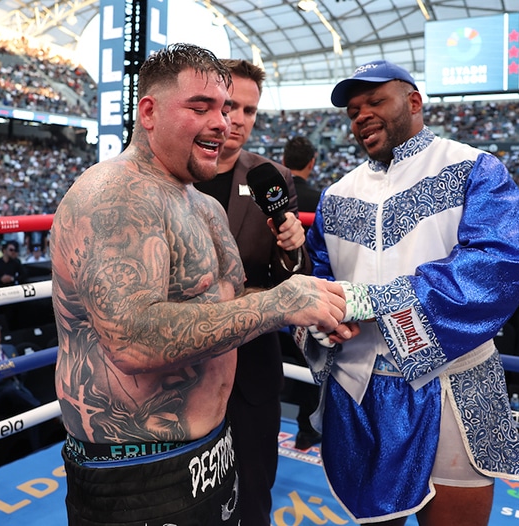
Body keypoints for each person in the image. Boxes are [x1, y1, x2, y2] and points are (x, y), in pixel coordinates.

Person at [50, 44, 344, 525]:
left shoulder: (200, 205)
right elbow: (133, 339)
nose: (222, 123)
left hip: (213, 447)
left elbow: (228, 301)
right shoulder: (113, 196)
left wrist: (305, 306)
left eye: (226, 109)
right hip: (135, 469)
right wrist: (277, 307)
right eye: (200, 107)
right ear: (149, 111)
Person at [303, 60, 519, 524]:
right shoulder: (336, 194)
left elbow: (495, 267)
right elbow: (321, 277)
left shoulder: (474, 169)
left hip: (454, 381)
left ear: (413, 102)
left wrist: (370, 301)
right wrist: (325, 323)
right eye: (353, 110)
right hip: (358, 385)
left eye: (374, 101)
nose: (361, 115)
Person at [193, 57, 313, 526]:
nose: (237, 120)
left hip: (252, 365)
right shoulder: (170, 174)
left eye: (249, 110)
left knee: (253, 492)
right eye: (230, 106)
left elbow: (293, 280)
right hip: (179, 371)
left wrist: (292, 247)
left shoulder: (271, 178)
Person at [281, 135, 324, 451]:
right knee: (311, 361)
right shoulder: (320, 199)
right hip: (308, 294)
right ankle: (307, 432)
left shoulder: (273, 198)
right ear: (312, 162)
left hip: (274, 292)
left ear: (283, 161)